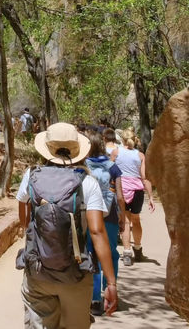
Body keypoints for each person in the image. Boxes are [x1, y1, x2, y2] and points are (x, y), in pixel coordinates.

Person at [17, 122, 118, 328]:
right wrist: (111, 282)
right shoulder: (86, 183)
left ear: (47, 148)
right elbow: (97, 232)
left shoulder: (32, 176)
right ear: (77, 149)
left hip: (38, 273)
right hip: (76, 274)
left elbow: (25, 221)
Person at [85, 132, 126, 316]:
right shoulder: (113, 167)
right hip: (109, 217)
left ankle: (94, 299)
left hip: (88, 216)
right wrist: (122, 216)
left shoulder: (84, 166)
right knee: (111, 253)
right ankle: (109, 289)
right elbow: (119, 196)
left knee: (92, 254)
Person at [112, 128, 155, 265]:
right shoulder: (140, 155)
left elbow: (110, 170)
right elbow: (144, 177)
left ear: (122, 139)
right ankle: (137, 248)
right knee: (136, 220)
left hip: (121, 189)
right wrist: (151, 196)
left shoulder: (116, 152)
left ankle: (126, 253)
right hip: (137, 191)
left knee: (125, 221)